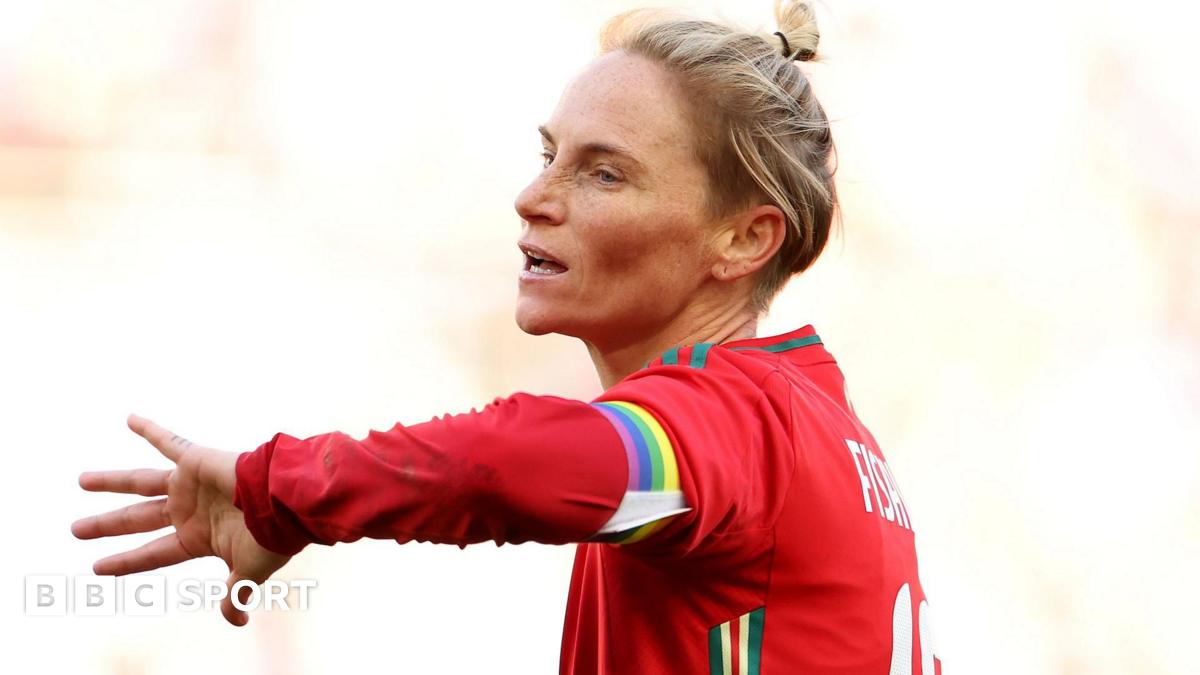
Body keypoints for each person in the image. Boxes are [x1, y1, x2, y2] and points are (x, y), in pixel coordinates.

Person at [72, 2, 940, 673]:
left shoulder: (736, 418)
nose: (534, 196)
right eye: (548, 153)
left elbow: (524, 462)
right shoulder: (814, 423)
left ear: (744, 238)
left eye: (605, 172)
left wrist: (290, 486)